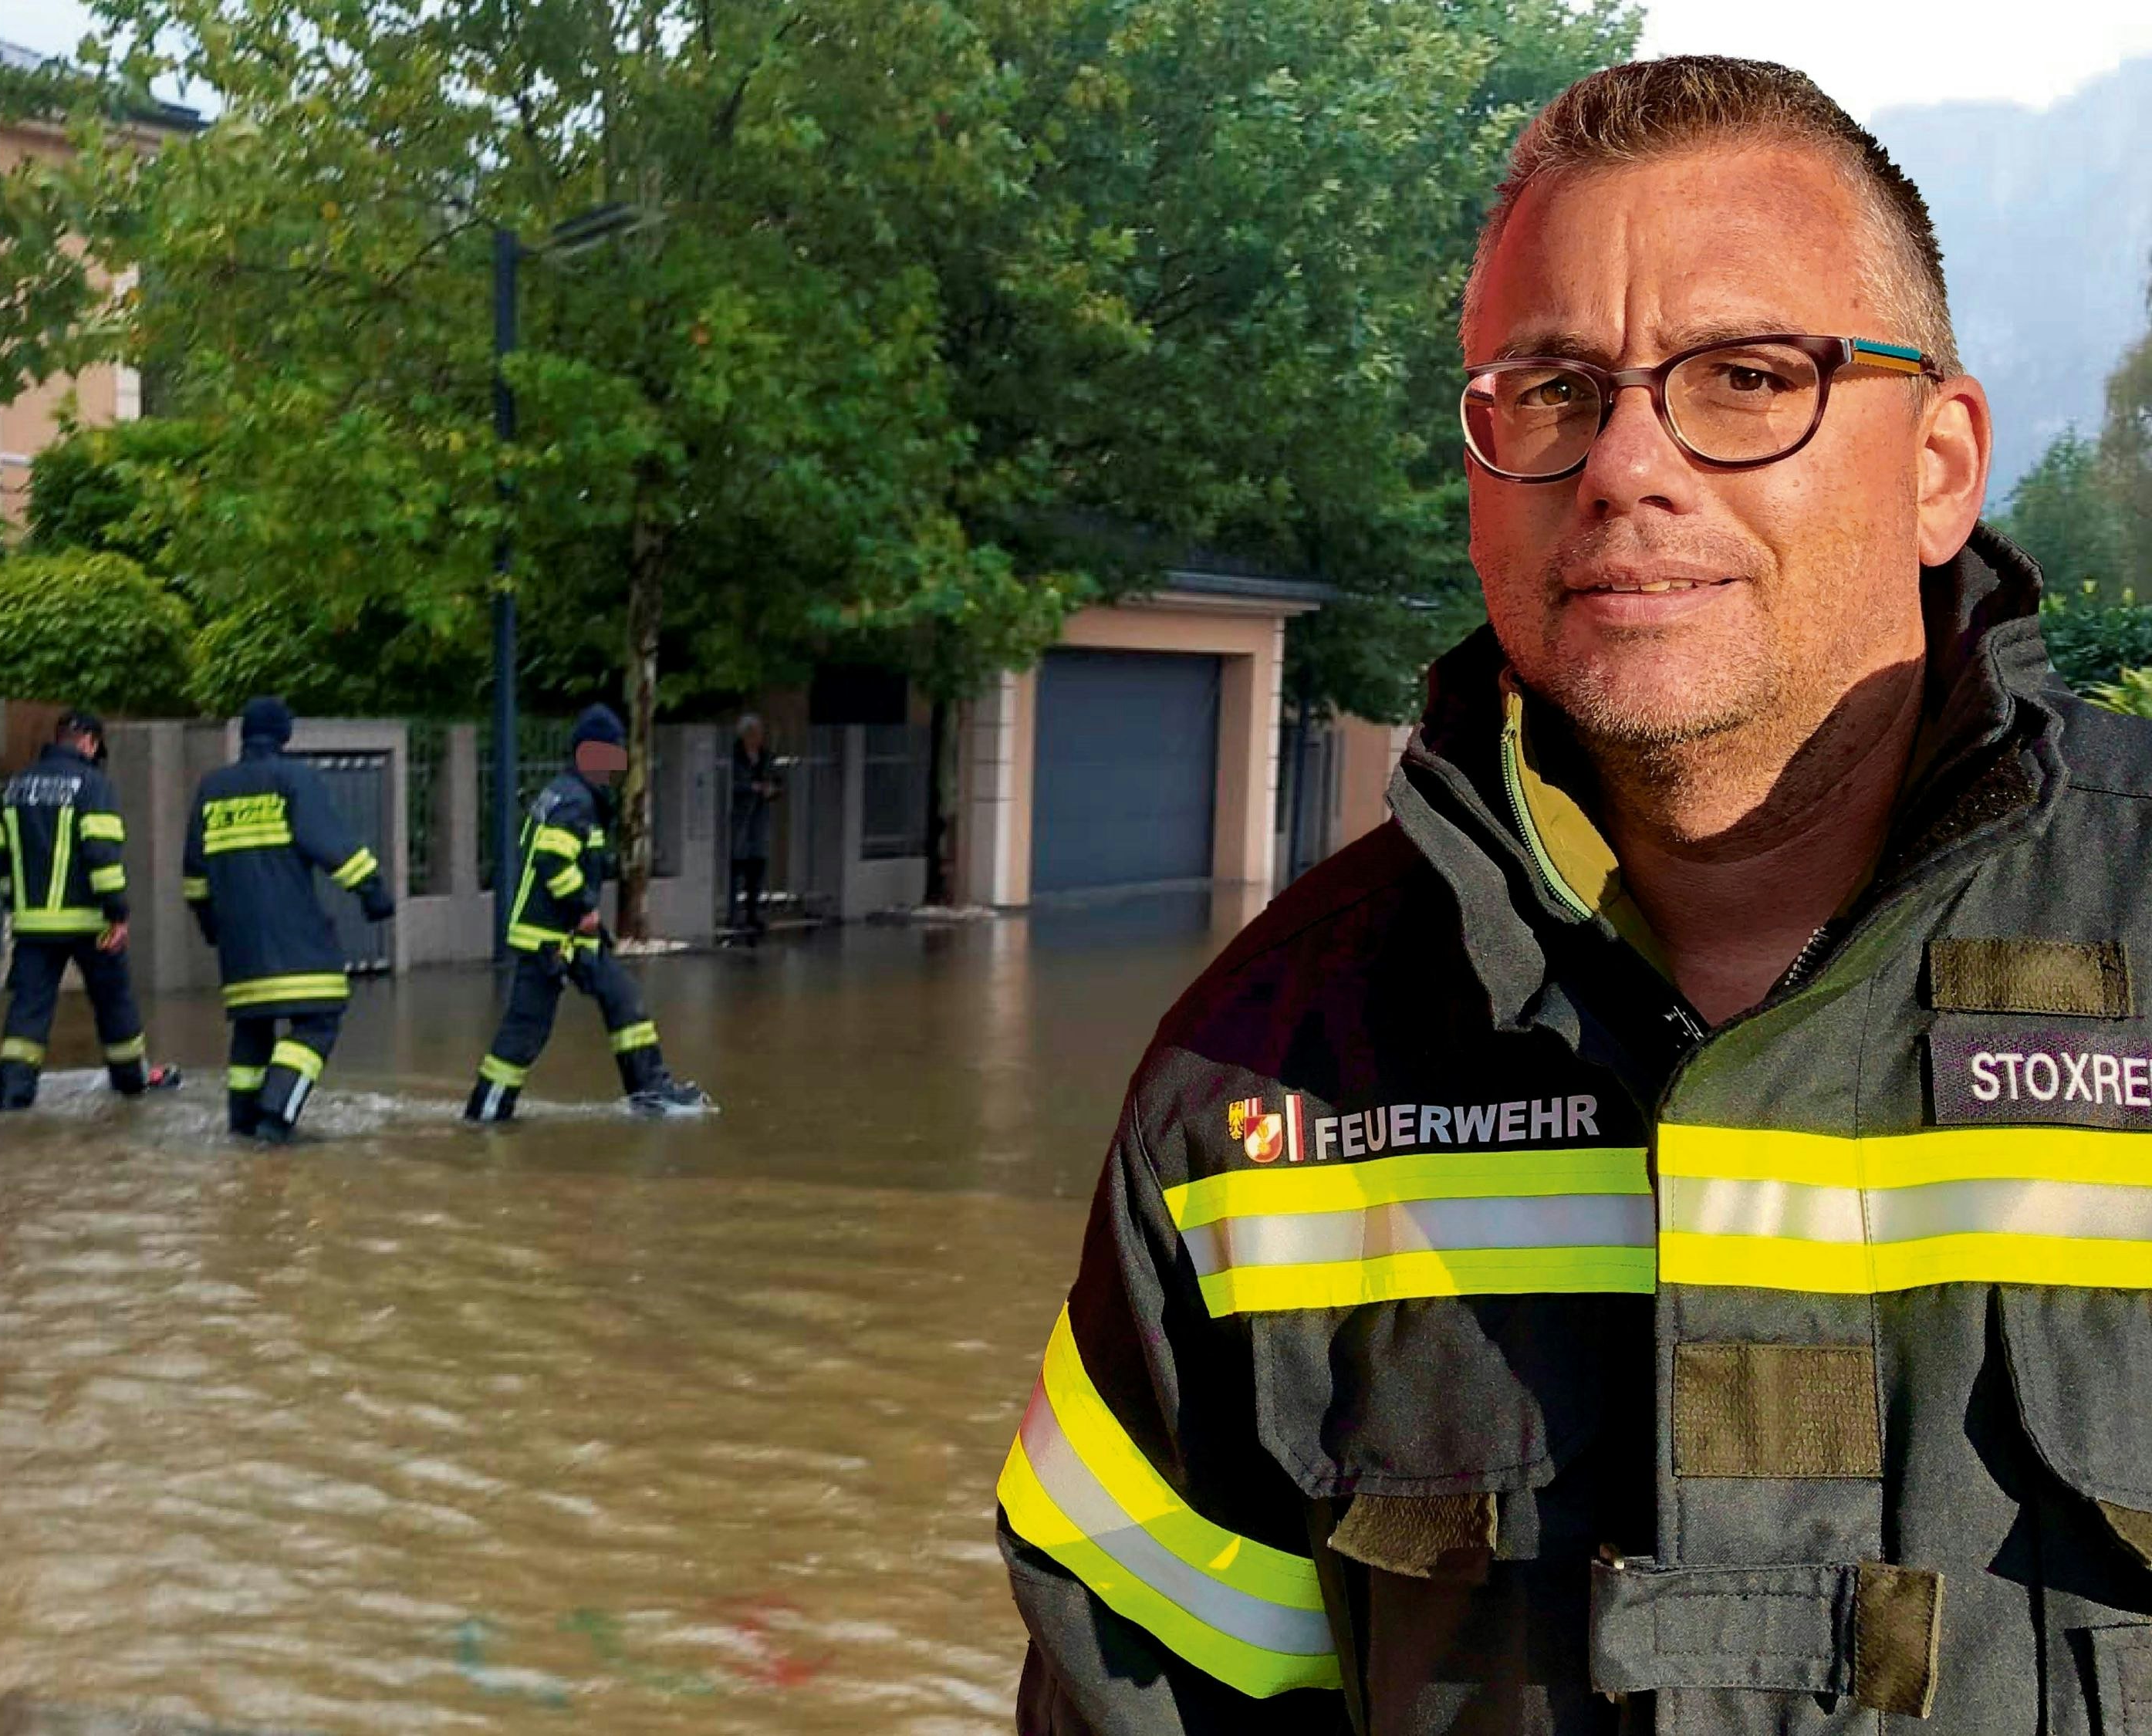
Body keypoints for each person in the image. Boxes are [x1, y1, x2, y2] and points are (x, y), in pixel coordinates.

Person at [1000, 58, 2143, 1734]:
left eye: (1747, 378)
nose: (1621, 467)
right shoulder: (1246, 1095)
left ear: (1938, 465)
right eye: (1547, 391)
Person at [465, 704, 710, 1120]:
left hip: (568, 939)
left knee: (623, 997)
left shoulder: (569, 795)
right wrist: (582, 908)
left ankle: (651, 1092)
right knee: (526, 1031)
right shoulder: (575, 801)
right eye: (609, 754)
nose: (615, 767)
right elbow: (552, 861)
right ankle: (486, 1112)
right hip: (549, 940)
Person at [182, 696, 394, 1142]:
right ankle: (275, 1116)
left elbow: (195, 877)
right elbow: (331, 845)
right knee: (320, 1020)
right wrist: (373, 892)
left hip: (239, 948)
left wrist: (212, 928)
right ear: (285, 735)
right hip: (296, 941)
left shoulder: (211, 789)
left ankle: (241, 1123)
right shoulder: (295, 780)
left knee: (252, 1029)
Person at [0, 710, 181, 1110]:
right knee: (115, 1002)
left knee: (28, 1011)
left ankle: (12, 1096)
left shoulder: (15, 788)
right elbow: (102, 855)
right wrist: (118, 914)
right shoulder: (93, 786)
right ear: (90, 743)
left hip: (33, 925)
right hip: (90, 922)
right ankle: (131, 1083)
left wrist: (15, 905)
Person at [726, 714, 781, 936]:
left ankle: (752, 912)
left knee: (757, 866)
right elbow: (730, 783)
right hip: (740, 819)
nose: (758, 738)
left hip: (759, 818)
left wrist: (773, 789)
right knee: (737, 866)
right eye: (754, 734)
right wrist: (752, 788)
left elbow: (778, 780)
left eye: (759, 734)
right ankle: (734, 914)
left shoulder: (766, 756)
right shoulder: (734, 756)